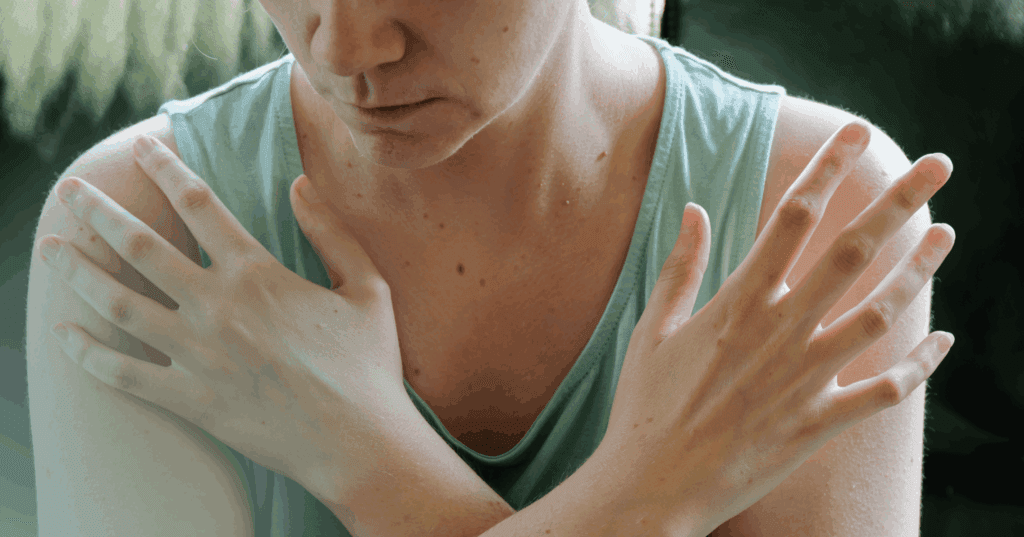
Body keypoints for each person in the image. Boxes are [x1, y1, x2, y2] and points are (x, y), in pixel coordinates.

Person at [27, 0, 955, 535]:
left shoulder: (812, 208)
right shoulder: (138, 228)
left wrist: (367, 460)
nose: (345, 47)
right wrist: (650, 501)